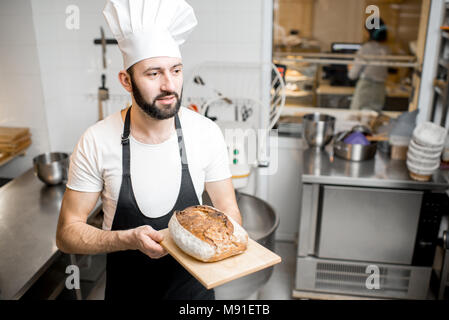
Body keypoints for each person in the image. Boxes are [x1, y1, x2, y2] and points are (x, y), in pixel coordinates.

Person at [56, 0, 242, 300]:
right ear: (126, 81)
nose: (170, 85)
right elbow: (66, 234)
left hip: (194, 298)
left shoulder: (206, 133)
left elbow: (229, 210)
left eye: (176, 70)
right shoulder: (96, 140)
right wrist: (126, 240)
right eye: (154, 74)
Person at [348, 18, 391, 111]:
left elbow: (352, 75)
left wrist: (350, 67)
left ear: (369, 32)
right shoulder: (387, 49)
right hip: (380, 89)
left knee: (356, 118)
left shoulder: (366, 48)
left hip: (366, 88)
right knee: (373, 120)